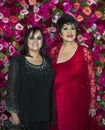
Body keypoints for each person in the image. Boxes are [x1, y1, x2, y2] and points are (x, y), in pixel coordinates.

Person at [48, 14, 97, 130]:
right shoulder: (53, 52)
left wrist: (92, 105)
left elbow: (92, 80)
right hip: (58, 103)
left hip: (78, 103)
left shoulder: (84, 52)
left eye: (72, 28)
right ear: (60, 33)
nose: (69, 31)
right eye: (65, 28)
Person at [5, 27, 55, 130]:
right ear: (26, 40)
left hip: (45, 115)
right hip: (26, 116)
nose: (35, 41)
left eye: (39, 38)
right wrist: (13, 113)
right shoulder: (18, 61)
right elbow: (12, 89)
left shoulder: (48, 62)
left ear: (43, 41)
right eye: (32, 38)